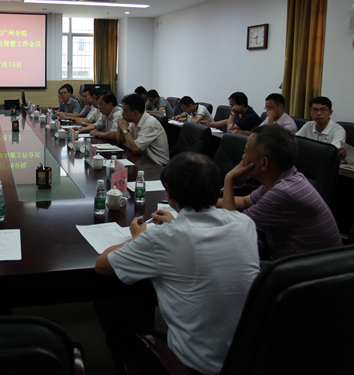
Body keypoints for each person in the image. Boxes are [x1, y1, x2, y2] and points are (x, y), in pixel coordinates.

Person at [95, 153, 259, 375]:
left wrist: (137, 238)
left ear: (169, 193)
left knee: (117, 324)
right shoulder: (245, 224)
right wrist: (175, 223)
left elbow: (102, 265)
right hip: (248, 358)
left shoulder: (162, 239)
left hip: (196, 367)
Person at [221, 125, 342, 259]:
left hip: (308, 269)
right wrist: (206, 201)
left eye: (246, 152)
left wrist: (229, 179)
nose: (243, 157)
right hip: (297, 262)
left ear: (264, 163)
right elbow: (244, 201)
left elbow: (232, 229)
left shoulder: (284, 192)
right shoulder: (284, 178)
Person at [117, 93, 170, 166]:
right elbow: (120, 141)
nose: (122, 114)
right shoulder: (135, 122)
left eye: (125, 111)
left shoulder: (150, 124)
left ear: (135, 112)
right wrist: (120, 126)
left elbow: (135, 149)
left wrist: (125, 129)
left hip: (158, 165)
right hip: (143, 159)